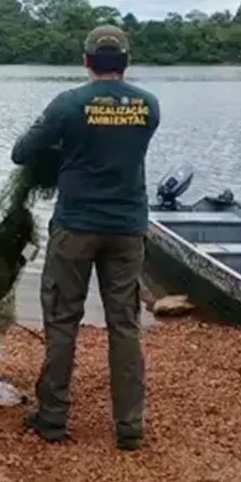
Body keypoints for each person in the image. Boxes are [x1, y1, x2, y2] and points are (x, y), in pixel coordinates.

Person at [11, 24, 160, 451]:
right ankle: (129, 428)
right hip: (128, 230)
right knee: (125, 327)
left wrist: (62, 149)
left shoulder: (69, 103)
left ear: (86, 61)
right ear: (127, 62)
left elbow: (22, 152)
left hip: (75, 226)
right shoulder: (149, 106)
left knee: (62, 321)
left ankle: (52, 419)